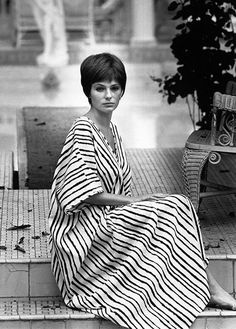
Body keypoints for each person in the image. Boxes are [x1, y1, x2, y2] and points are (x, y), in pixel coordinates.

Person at [48, 52, 236, 329]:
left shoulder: (111, 129)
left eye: (115, 88)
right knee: (174, 206)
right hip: (84, 232)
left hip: (107, 218)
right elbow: (84, 192)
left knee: (177, 204)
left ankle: (208, 287)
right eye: (100, 88)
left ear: (122, 90)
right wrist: (137, 201)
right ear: (88, 91)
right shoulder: (82, 131)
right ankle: (213, 289)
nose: (108, 95)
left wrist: (142, 204)